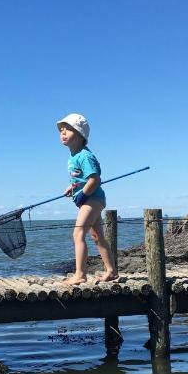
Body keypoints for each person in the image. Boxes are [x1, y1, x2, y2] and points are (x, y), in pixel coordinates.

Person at [57, 113, 118, 284]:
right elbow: (82, 179)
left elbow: (94, 179)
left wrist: (83, 193)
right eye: (61, 130)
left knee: (78, 233)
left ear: (80, 134)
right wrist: (73, 187)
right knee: (97, 236)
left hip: (93, 199)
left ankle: (80, 274)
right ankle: (112, 271)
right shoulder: (73, 156)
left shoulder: (84, 156)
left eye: (67, 130)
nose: (63, 133)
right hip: (88, 199)